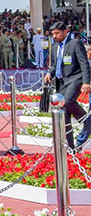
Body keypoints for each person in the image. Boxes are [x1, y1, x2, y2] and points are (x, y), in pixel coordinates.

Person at [44, 21, 91, 150]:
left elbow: (84, 63)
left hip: (76, 78)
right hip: (61, 82)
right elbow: (55, 65)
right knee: (64, 113)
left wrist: (86, 82)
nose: (54, 36)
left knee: (69, 101)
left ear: (66, 32)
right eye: (52, 34)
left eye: (57, 33)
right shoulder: (54, 47)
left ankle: (88, 122)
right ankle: (70, 148)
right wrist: (50, 73)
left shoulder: (75, 43)